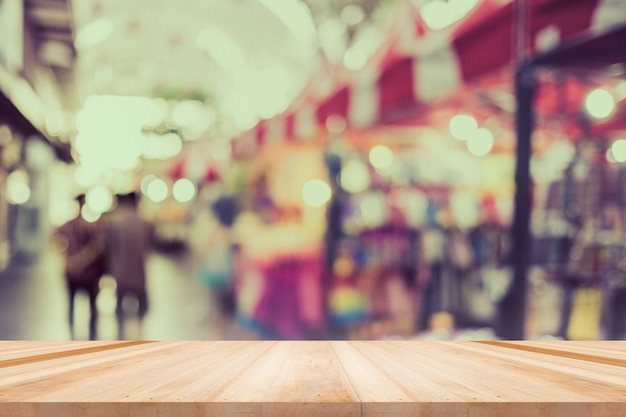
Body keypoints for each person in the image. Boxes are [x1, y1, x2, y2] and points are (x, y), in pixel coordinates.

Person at [53, 194, 106, 340]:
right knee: (89, 306)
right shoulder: (92, 226)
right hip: (86, 272)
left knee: (75, 305)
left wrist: (69, 259)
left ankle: (76, 335)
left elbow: (55, 240)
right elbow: (98, 247)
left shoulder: (74, 225)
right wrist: (76, 259)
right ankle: (89, 336)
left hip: (78, 271)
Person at [104, 192, 154, 339]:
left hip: (121, 272)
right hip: (139, 272)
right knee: (142, 308)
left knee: (120, 308)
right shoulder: (145, 222)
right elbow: (151, 243)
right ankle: (139, 335)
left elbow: (109, 247)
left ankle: (120, 336)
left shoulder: (115, 222)